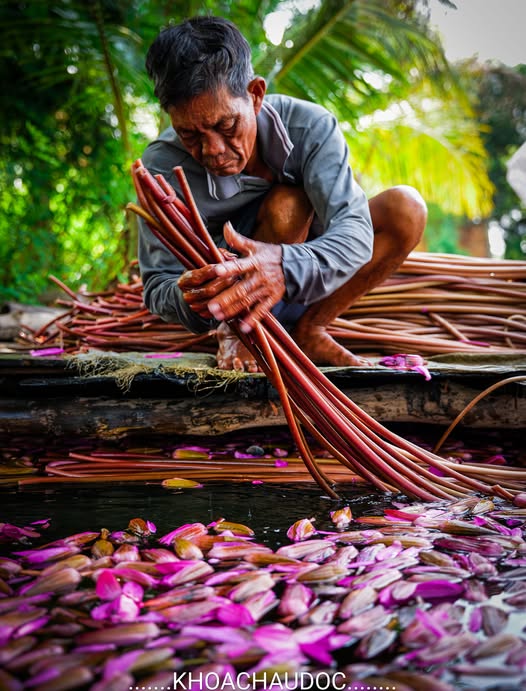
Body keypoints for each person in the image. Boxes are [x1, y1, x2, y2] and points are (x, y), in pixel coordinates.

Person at [138, 15, 427, 371]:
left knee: (405, 208)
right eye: (190, 135)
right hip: (226, 304)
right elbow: (156, 285)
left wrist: (283, 264)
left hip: (307, 287)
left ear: (256, 95)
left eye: (226, 126)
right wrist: (193, 296)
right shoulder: (162, 167)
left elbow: (355, 234)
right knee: (285, 206)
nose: (212, 149)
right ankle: (240, 332)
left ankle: (312, 327)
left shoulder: (311, 127)